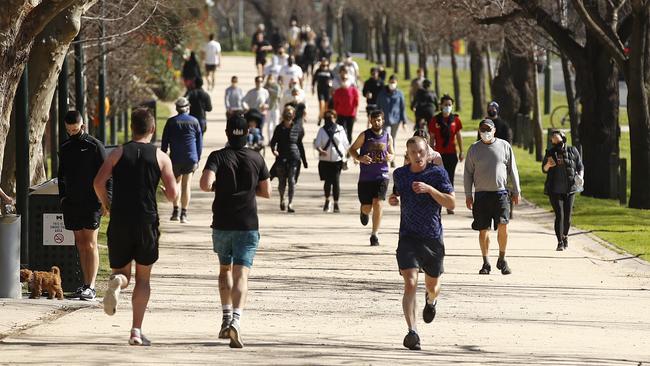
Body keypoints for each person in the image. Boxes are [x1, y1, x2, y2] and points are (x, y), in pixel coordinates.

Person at [94, 107, 177, 346]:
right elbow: (172, 194)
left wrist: (107, 204)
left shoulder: (118, 153)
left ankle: (118, 282)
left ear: (132, 128)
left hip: (120, 219)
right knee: (143, 279)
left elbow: (98, 182)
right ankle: (136, 331)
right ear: (152, 129)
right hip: (146, 221)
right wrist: (167, 191)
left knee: (122, 272)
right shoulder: (161, 157)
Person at [200, 114, 271, 348]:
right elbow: (267, 191)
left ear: (227, 133)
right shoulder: (256, 158)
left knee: (224, 270)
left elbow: (205, 184)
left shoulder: (218, 157)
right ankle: (237, 322)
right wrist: (249, 191)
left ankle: (225, 317)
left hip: (222, 222)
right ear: (248, 133)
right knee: (242, 274)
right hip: (247, 224)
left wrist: (219, 187)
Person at [388, 136, 455, 351]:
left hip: (432, 238)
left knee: (432, 286)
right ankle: (412, 331)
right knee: (410, 282)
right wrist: (393, 198)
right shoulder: (400, 174)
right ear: (407, 154)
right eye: (413, 152)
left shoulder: (437, 174)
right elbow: (397, 192)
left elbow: (451, 202)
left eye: (420, 152)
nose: (417, 156)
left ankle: (431, 300)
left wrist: (429, 189)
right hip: (408, 237)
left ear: (427, 153)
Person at [57, 110, 111, 300]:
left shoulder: (95, 146)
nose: (73, 133)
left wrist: (106, 201)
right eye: (69, 130)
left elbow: (107, 175)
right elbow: (61, 175)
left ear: (83, 126)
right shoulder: (64, 147)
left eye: (76, 129)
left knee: (90, 243)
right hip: (72, 202)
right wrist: (63, 198)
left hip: (91, 202)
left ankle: (92, 286)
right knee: (80, 243)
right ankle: (85, 284)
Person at [464, 119, 521, 275]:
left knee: (503, 226)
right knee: (483, 230)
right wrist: (468, 195)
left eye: (488, 129)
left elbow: (512, 169)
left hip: (501, 193)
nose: (485, 132)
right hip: (481, 195)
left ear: (494, 130)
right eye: (482, 129)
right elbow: (468, 174)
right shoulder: (474, 149)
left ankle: (502, 259)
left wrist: (517, 190)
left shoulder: (504, 146)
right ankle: (486, 262)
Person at [348, 110, 394, 246]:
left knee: (378, 202)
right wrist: (359, 157)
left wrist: (390, 157)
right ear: (370, 121)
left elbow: (392, 153)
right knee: (367, 207)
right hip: (366, 177)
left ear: (383, 121)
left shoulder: (387, 136)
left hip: (382, 174)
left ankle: (375, 234)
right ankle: (363, 212)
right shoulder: (365, 135)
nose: (377, 122)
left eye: (379, 120)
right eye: (374, 120)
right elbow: (352, 149)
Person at [161, 97, 203, 224]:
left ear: (177, 108)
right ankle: (184, 214)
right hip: (190, 158)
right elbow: (199, 144)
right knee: (186, 185)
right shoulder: (195, 122)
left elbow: (164, 143)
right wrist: (197, 158)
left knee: (176, 183)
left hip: (175, 158)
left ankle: (175, 212)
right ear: (188, 107)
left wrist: (164, 158)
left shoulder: (171, 122)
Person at [542, 130, 583, 251]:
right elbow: (544, 169)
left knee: (568, 217)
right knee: (559, 215)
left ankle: (565, 236)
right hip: (554, 190)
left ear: (564, 140)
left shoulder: (573, 150)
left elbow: (580, 165)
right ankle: (559, 241)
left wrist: (580, 176)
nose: (556, 145)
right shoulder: (550, 153)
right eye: (554, 143)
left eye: (558, 142)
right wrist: (548, 165)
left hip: (570, 189)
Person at [428, 94, 464, 214]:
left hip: (451, 154)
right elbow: (432, 137)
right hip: (439, 155)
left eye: (449, 105)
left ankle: (449, 204)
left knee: (450, 179)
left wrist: (461, 151)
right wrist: (430, 152)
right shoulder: (435, 120)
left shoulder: (456, 120)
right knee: (438, 178)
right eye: (445, 105)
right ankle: (437, 203)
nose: (447, 107)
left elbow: (459, 136)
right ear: (441, 106)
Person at [269, 105, 307, 213]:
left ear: (294, 115)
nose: (288, 115)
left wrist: (304, 161)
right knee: (282, 181)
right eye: (286, 112)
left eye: (290, 113)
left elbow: (300, 144)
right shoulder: (278, 128)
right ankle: (282, 198)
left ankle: (290, 203)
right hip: (281, 157)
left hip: (294, 157)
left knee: (292, 180)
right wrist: (273, 150)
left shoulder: (298, 128)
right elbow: (273, 142)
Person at [314, 110, 349, 213]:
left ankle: (336, 203)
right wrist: (320, 150)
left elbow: (346, 143)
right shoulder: (322, 130)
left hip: (337, 160)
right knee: (327, 182)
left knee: (336, 182)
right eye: (328, 117)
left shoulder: (340, 129)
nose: (330, 119)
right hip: (325, 160)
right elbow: (317, 143)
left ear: (335, 117)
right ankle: (327, 200)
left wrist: (350, 155)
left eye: (332, 117)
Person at [376, 74, 407, 166]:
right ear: (388, 82)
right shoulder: (382, 93)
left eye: (394, 82)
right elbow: (378, 106)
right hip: (385, 120)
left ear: (396, 83)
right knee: (387, 139)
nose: (392, 84)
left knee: (392, 139)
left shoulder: (399, 94)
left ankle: (392, 158)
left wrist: (404, 121)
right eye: (390, 82)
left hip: (396, 121)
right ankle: (386, 158)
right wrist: (377, 119)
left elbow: (402, 107)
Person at [333, 69, 359, 144]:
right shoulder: (338, 91)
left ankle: (348, 146)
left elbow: (356, 103)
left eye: (346, 78)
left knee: (349, 132)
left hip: (351, 115)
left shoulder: (354, 90)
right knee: (341, 131)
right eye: (343, 79)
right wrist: (335, 114)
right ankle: (342, 146)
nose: (344, 80)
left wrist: (355, 114)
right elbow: (335, 104)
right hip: (340, 114)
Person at [312, 59, 334, 125]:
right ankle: (320, 117)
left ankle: (325, 118)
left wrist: (331, 83)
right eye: (323, 65)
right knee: (321, 105)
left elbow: (334, 79)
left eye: (326, 65)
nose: (325, 66)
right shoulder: (318, 71)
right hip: (320, 90)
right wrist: (312, 88)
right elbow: (314, 80)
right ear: (321, 64)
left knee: (326, 107)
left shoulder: (330, 71)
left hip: (328, 91)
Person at [264, 74, 282, 139]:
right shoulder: (265, 86)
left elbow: (278, 95)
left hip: (275, 107)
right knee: (269, 125)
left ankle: (276, 139)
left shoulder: (276, 86)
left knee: (276, 124)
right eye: (269, 79)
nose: (270, 80)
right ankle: (269, 139)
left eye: (271, 79)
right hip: (268, 108)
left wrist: (270, 90)